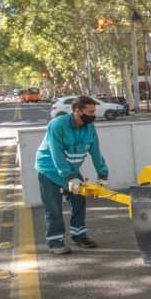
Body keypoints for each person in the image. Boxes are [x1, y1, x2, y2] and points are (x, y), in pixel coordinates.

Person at [34, 96, 109, 255]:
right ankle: (55, 242)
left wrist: (102, 175)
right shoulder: (57, 125)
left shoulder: (89, 128)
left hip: (71, 170)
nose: (93, 115)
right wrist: (69, 177)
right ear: (77, 110)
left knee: (79, 201)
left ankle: (79, 236)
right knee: (53, 208)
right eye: (89, 112)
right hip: (49, 170)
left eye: (93, 111)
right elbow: (56, 153)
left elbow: (95, 151)